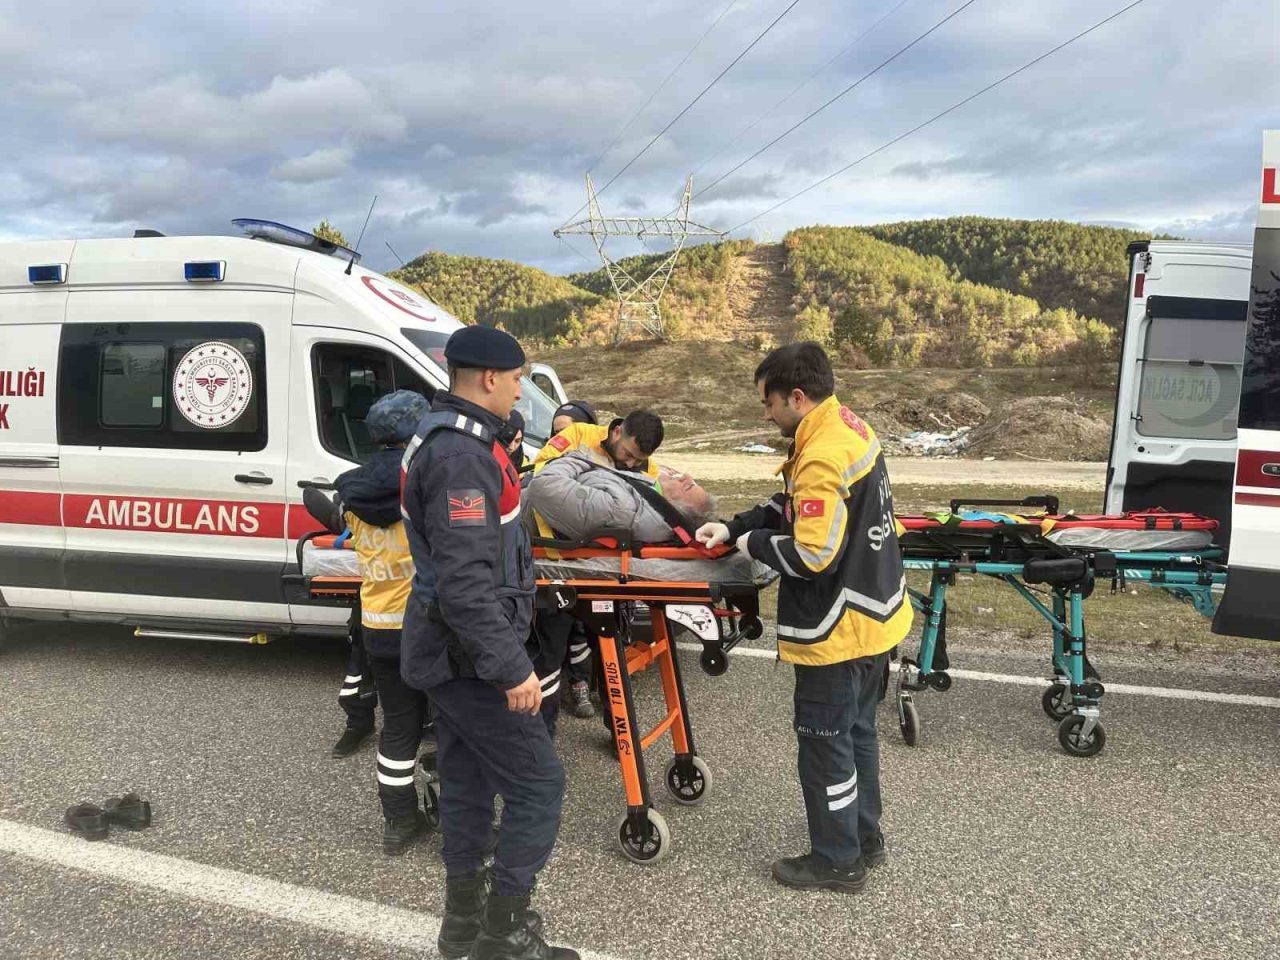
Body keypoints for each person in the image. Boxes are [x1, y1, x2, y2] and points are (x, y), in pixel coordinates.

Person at [695, 341, 912, 895]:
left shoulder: (820, 452)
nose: (766, 414)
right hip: (877, 617)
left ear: (795, 395)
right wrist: (739, 520)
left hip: (837, 631)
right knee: (858, 735)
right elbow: (797, 501)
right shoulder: (845, 426)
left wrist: (748, 541)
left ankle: (837, 860)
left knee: (824, 747)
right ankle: (864, 837)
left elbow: (813, 554)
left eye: (768, 403)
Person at [400, 325, 577, 960]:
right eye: (519, 380)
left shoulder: (458, 439)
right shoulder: (461, 458)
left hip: (455, 653)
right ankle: (503, 931)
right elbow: (464, 584)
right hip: (469, 656)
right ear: (490, 380)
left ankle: (462, 928)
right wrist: (511, 670)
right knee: (539, 785)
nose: (522, 392)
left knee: (470, 785)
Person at [333, 389, 435, 856]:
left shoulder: (351, 492)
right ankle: (455, 816)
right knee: (450, 724)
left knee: (398, 727)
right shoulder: (425, 484)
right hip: (428, 627)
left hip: (379, 628)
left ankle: (399, 820)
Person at [526, 454, 715, 543]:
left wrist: (578, 457)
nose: (686, 476)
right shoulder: (643, 498)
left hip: (507, 523)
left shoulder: (621, 509)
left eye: (688, 486)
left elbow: (544, 487)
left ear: (675, 508)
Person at [533, 408, 664, 480]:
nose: (630, 464)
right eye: (628, 454)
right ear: (617, 432)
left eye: (638, 461)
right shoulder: (578, 434)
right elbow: (540, 465)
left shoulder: (650, 470)